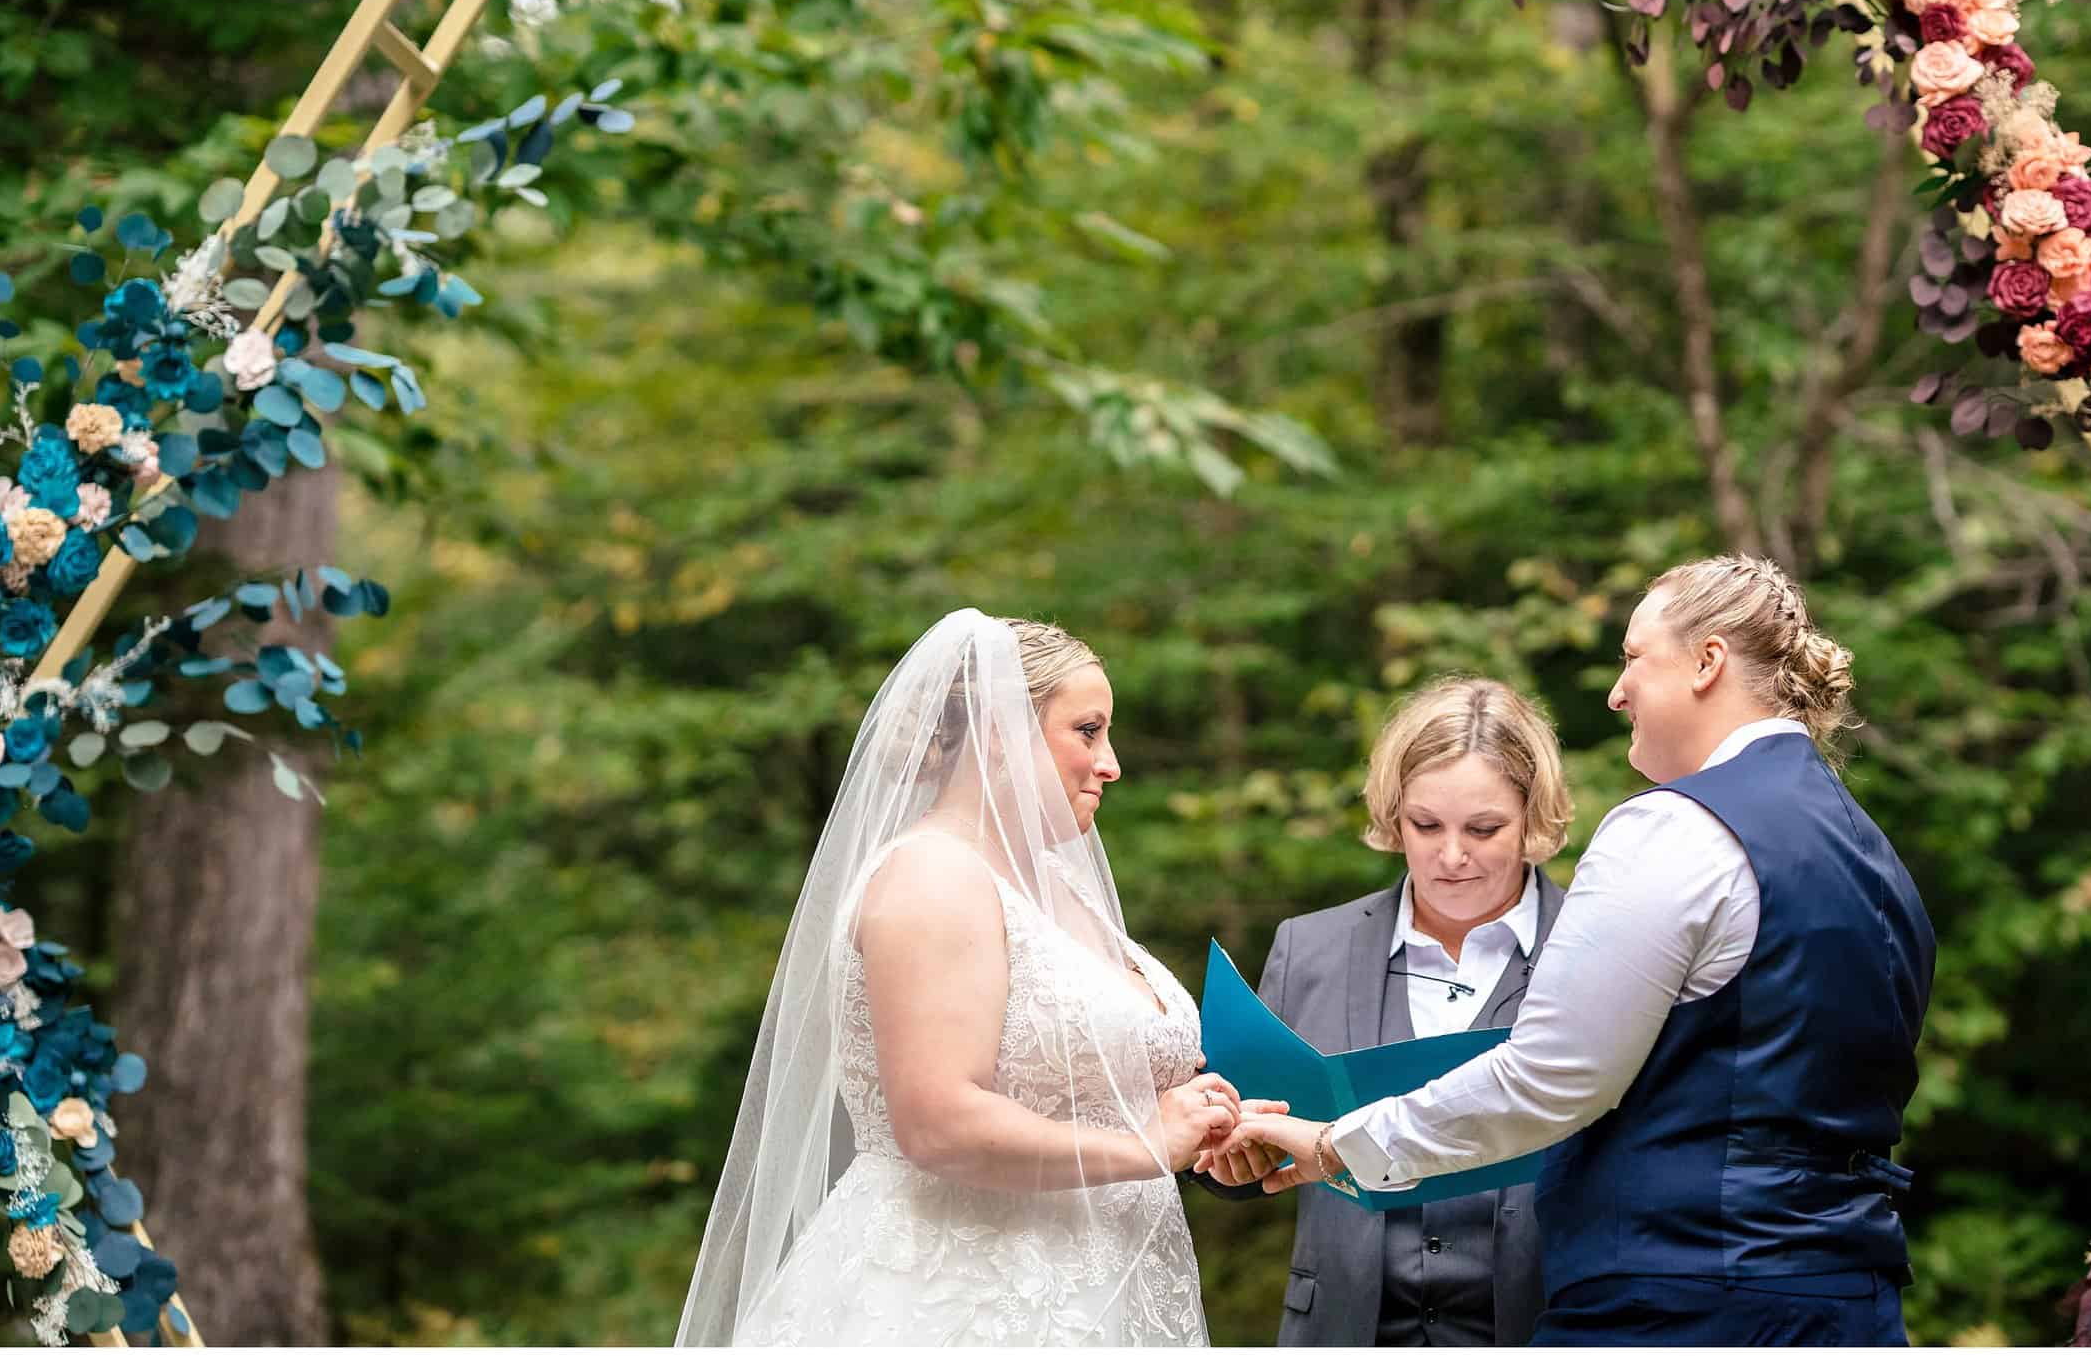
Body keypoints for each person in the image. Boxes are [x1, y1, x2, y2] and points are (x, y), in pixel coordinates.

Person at [1207, 556, 1936, 1347]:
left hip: (1682, 1300)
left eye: (1632, 658)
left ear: (1708, 661)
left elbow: (1550, 1077)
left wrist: (1330, 1145)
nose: (1617, 691)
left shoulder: (1673, 827)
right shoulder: (1873, 853)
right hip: (1845, 1298)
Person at [677, 610, 1232, 1346]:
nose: (1111, 763)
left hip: (1105, 1293)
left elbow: (1089, 1081)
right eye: (1087, 731)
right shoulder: (931, 877)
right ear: (1000, 733)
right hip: (963, 1297)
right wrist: (1147, 1146)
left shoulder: (1059, 884)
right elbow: (936, 1122)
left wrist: (1210, 1125)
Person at [1197, 677, 1572, 1346]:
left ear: (1533, 816)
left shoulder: (1598, 948)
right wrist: (1233, 1160)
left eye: (1484, 828)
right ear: (1394, 813)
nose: (1451, 855)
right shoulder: (1308, 947)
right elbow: (1239, 1153)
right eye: (1426, 824)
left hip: (1545, 1324)